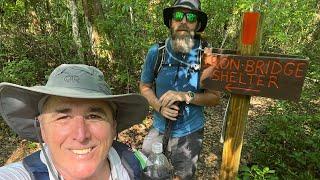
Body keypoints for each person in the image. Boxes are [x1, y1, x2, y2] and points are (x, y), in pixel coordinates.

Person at [0, 64, 149, 180]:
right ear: (42, 128)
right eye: (63, 117)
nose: (81, 135)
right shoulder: (19, 175)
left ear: (113, 126)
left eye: (94, 116)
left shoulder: (137, 163)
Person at [140, 0, 220, 179]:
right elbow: (145, 87)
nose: (183, 21)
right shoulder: (157, 52)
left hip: (190, 133)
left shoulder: (207, 57)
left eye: (190, 17)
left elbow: (214, 97)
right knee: (147, 173)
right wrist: (159, 106)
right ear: (170, 22)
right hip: (158, 129)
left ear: (197, 24)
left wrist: (186, 95)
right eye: (178, 15)